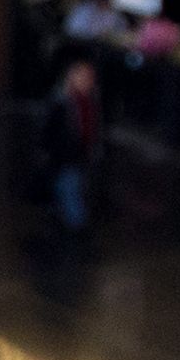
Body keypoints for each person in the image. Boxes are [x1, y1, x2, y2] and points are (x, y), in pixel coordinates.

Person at [39, 54, 105, 245]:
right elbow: (49, 129)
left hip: (82, 153)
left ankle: (60, 215)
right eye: (82, 77)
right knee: (71, 186)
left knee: (72, 186)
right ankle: (77, 225)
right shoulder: (61, 102)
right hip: (66, 155)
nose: (87, 82)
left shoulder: (90, 101)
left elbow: (94, 127)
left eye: (89, 78)